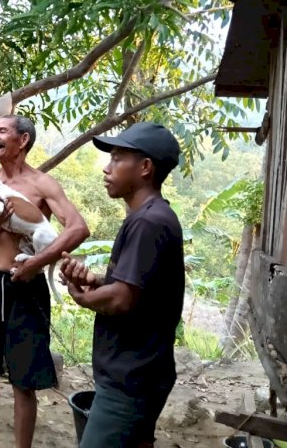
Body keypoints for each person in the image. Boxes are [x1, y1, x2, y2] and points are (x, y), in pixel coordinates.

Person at [0, 115, 90, 448]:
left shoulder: (42, 184)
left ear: (23, 140)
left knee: (24, 376)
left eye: (2, 131)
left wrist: (38, 262)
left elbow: (77, 227)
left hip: (26, 286)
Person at [60, 122, 184, 448]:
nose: (107, 167)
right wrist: (96, 282)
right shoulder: (148, 217)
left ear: (145, 168)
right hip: (140, 374)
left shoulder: (148, 222)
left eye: (117, 158)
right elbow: (138, 288)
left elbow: (122, 299)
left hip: (131, 379)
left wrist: (82, 297)